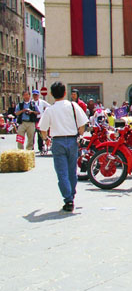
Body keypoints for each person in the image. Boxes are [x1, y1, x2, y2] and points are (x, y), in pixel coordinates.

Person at [39, 82, 88, 212]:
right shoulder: (73, 105)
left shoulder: (50, 110)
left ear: (51, 94)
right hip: (72, 140)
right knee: (72, 171)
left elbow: (42, 129)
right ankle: (71, 194)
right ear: (65, 93)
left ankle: (68, 199)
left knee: (62, 173)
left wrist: (46, 139)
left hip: (58, 141)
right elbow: (83, 124)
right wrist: (80, 135)